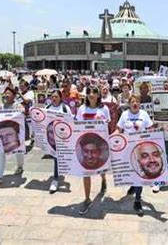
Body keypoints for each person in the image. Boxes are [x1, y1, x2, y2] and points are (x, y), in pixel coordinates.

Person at [75, 86, 110, 215]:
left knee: (100, 166)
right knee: (86, 171)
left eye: (94, 92)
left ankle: (103, 179)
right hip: (86, 143)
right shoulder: (81, 109)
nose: (91, 94)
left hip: (99, 143)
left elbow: (107, 125)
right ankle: (87, 199)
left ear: (98, 95)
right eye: (89, 92)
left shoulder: (104, 109)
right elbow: (77, 125)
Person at [117, 95, 154, 216]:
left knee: (139, 173)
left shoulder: (144, 114)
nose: (135, 103)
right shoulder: (124, 115)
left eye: (137, 101)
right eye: (132, 101)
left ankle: (137, 200)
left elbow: (150, 129)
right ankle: (133, 185)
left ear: (140, 103)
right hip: (127, 148)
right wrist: (111, 137)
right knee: (131, 170)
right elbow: (119, 129)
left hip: (141, 150)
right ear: (129, 103)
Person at [0, 87, 25, 187]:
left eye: (9, 93)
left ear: (14, 95)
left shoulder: (17, 105)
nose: (6, 95)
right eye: (5, 93)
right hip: (1, 134)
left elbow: (23, 114)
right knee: (0, 153)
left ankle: (20, 166)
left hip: (15, 134)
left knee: (18, 152)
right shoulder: (0, 106)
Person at [45, 90, 70, 193]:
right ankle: (55, 178)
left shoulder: (65, 108)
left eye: (56, 96)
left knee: (57, 158)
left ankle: (55, 179)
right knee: (55, 157)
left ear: (60, 97)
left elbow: (70, 122)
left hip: (62, 137)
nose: (54, 98)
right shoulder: (47, 108)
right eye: (52, 97)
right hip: (51, 138)